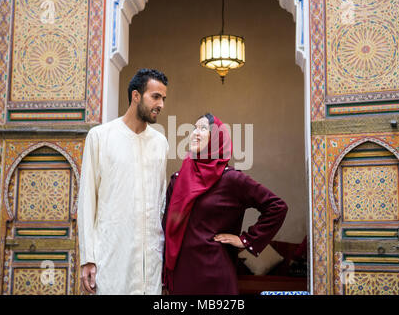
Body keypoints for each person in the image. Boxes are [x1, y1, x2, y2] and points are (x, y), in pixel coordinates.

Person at [162, 113, 288, 295]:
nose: (195, 133)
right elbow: (166, 228)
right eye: (194, 128)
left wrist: (246, 240)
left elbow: (277, 207)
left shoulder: (231, 180)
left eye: (203, 128)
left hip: (215, 277)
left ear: (217, 137)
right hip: (181, 276)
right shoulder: (178, 180)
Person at [78, 69, 169, 294]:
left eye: (163, 99)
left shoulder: (160, 143)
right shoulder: (100, 137)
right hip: (111, 257)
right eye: (155, 97)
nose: (161, 105)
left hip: (150, 261)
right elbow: (87, 201)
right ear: (136, 96)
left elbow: (161, 202)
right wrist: (88, 257)